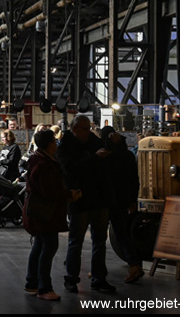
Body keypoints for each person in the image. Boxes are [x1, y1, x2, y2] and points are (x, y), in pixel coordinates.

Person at [57, 114, 115, 294]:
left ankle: (99, 278)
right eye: (84, 129)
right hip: (80, 200)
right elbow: (70, 170)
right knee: (76, 241)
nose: (87, 132)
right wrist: (94, 159)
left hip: (98, 198)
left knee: (99, 241)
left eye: (89, 128)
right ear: (75, 129)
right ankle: (71, 278)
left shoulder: (92, 141)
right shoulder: (65, 146)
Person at [24, 129, 78, 301]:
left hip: (38, 211)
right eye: (54, 141)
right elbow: (49, 191)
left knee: (39, 246)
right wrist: (69, 194)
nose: (57, 144)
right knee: (49, 247)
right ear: (49, 144)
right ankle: (44, 288)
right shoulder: (45, 164)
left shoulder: (36, 159)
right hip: (46, 213)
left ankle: (32, 283)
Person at [101, 125, 144, 284]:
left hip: (105, 201)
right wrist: (133, 200)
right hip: (122, 201)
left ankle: (99, 270)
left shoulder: (104, 156)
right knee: (122, 234)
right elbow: (134, 180)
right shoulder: (127, 155)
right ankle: (135, 264)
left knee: (100, 237)